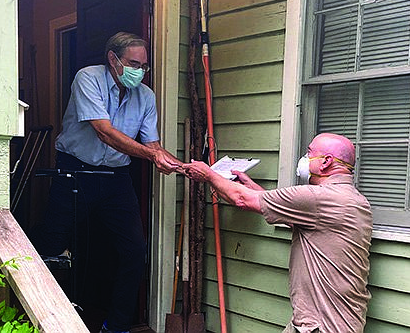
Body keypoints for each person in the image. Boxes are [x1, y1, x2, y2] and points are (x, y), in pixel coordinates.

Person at [30, 32, 182, 333]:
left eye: (144, 66)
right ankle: (43, 321)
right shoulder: (88, 78)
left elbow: (152, 143)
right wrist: (152, 157)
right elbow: (104, 132)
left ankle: (117, 327)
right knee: (52, 248)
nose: (140, 71)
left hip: (115, 179)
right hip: (75, 172)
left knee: (134, 251)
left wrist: (178, 163)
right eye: (134, 63)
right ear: (113, 60)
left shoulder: (146, 96)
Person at [182, 133, 372, 333]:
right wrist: (252, 188)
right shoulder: (355, 201)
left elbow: (241, 199)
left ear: (326, 162)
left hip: (323, 327)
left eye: (309, 153)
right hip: (335, 322)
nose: (305, 159)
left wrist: (208, 175)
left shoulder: (317, 198)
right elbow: (297, 218)